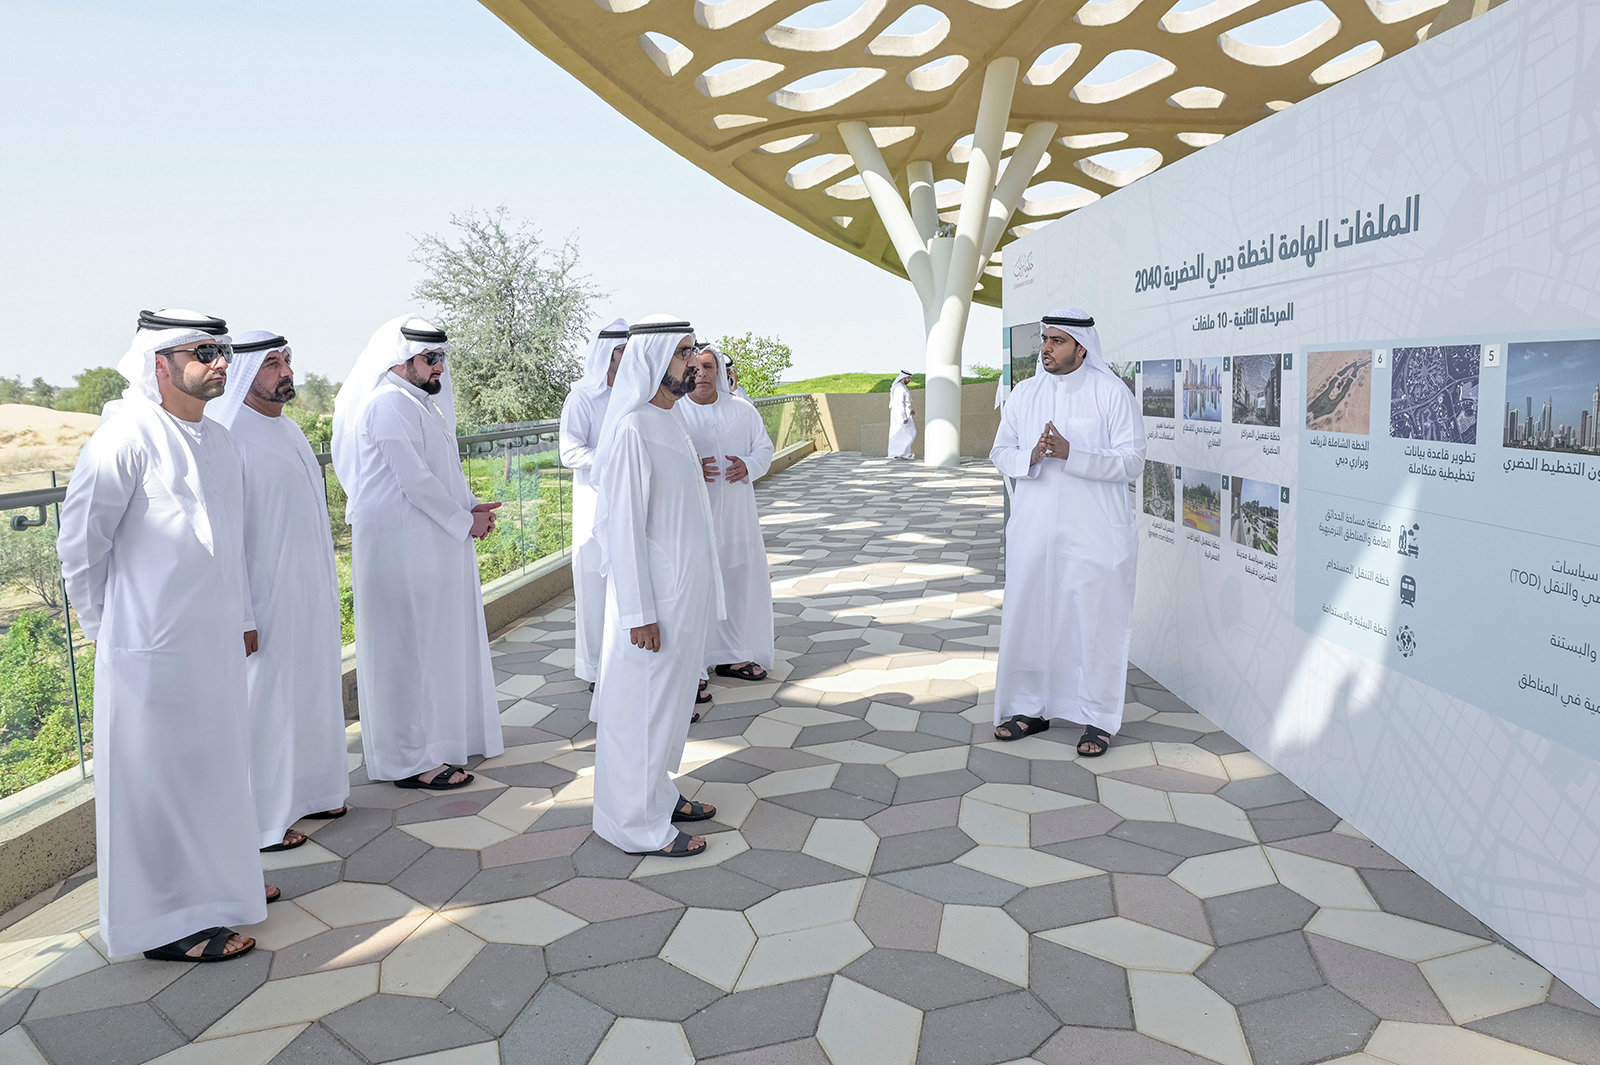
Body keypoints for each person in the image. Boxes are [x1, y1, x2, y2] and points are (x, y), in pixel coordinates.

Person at [59, 309, 272, 963]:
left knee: (215, 771)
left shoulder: (221, 441)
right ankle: (166, 924)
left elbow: (229, 546)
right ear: (160, 362)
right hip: (147, 651)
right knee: (157, 787)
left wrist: (242, 618)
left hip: (212, 644)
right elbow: (80, 547)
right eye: (202, 352)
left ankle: (225, 888)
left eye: (222, 350)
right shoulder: (122, 439)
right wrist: (110, 632)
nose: (219, 362)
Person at [331, 316, 503, 790]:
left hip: (427, 543)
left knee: (430, 648)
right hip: (398, 548)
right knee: (405, 653)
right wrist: (464, 521)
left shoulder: (419, 404)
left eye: (442, 357)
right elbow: (415, 481)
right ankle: (410, 762)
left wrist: (471, 507)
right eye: (430, 358)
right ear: (401, 358)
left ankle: (437, 745)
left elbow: (443, 472)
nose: (439, 367)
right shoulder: (387, 403)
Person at [207, 330, 350, 852]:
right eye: (271, 363)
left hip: (308, 589)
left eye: (287, 360)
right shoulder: (228, 433)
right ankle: (265, 820)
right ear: (244, 373)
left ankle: (314, 792)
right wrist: (242, 613)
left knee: (310, 693)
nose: (286, 371)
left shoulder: (287, 428)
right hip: (262, 599)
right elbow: (226, 536)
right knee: (267, 707)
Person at [590, 315, 722, 857]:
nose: (693, 362)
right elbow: (623, 527)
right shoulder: (632, 428)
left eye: (693, 351)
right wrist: (638, 612)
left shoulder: (669, 419)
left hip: (680, 595)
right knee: (642, 711)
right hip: (655, 603)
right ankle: (635, 824)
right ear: (653, 359)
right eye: (683, 352)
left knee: (666, 709)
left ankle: (657, 795)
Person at [989, 308, 1144, 756]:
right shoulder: (1025, 393)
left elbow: (1132, 461)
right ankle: (1029, 709)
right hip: (1035, 531)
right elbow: (1000, 451)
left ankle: (1097, 720)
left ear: (1082, 347)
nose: (1046, 348)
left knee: (1093, 625)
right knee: (1032, 619)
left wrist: (1072, 453)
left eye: (1057, 341)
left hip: (1095, 533)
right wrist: (1031, 457)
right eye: (1045, 339)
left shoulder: (1111, 393)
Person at [677, 346, 775, 685]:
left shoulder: (742, 410)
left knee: (738, 581)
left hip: (737, 516)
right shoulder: (675, 412)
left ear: (719, 371)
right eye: (696, 367)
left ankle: (734, 654)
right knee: (697, 585)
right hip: (693, 519)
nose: (702, 374)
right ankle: (695, 663)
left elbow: (764, 448)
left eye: (709, 367)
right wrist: (692, 466)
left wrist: (747, 465)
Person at [559, 318, 629, 693]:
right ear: (606, 354)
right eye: (621, 350)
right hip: (594, 503)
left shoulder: (634, 393)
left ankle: (627, 661)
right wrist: (613, 457)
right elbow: (570, 452)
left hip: (630, 501)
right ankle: (597, 669)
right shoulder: (582, 398)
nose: (627, 355)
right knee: (594, 584)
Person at [888, 370, 916, 459]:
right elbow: (900, 404)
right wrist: (904, 417)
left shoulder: (902, 387)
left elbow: (906, 402)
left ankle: (904, 453)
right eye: (908, 378)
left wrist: (911, 410)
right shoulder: (899, 389)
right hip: (900, 415)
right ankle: (898, 453)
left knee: (908, 433)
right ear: (903, 378)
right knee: (904, 434)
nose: (909, 380)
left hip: (905, 414)